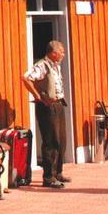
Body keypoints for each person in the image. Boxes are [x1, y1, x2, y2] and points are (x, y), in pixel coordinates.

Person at [22, 40, 70, 188]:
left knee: (61, 140)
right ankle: (48, 177)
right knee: (51, 141)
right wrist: (37, 96)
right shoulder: (42, 65)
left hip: (58, 104)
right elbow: (25, 77)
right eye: (61, 51)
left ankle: (58, 172)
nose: (63, 53)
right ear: (53, 53)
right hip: (47, 107)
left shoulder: (56, 66)